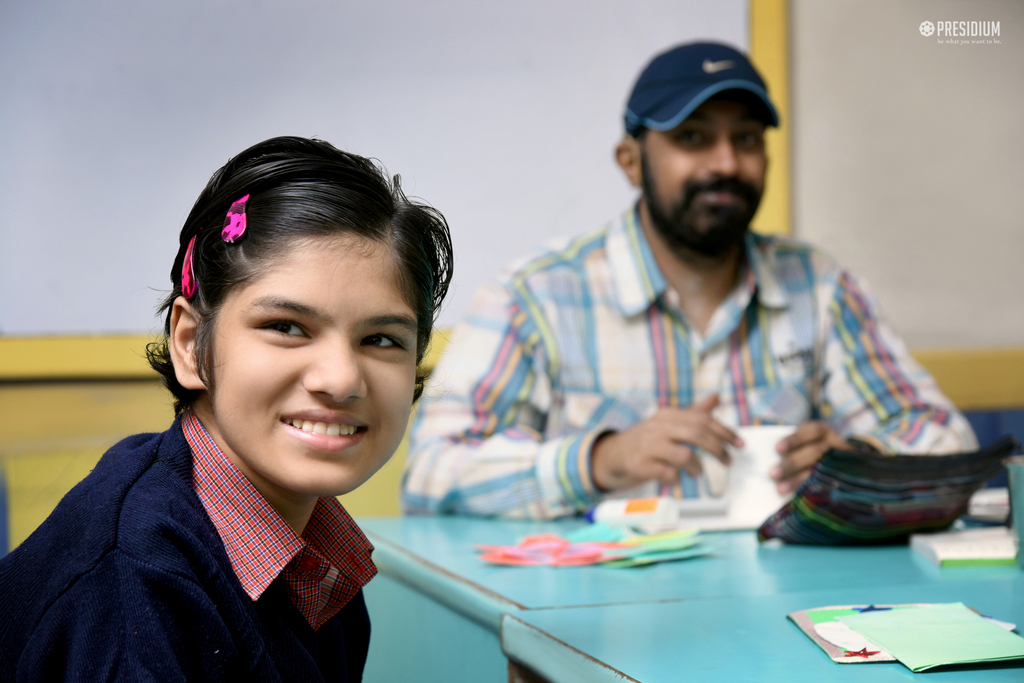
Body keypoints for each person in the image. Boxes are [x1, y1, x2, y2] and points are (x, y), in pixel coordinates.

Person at [402, 42, 976, 519]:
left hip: (790, 610)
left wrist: (862, 457)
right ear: (631, 160)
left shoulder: (820, 288)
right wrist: (601, 461)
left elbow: (947, 441)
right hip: (593, 624)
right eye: (693, 138)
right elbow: (431, 475)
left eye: (746, 138)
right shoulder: (534, 296)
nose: (725, 163)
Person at [0, 137, 453, 680]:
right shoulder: (137, 591)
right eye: (286, 328)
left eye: (381, 340)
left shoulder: (316, 560)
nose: (341, 379)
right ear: (192, 345)